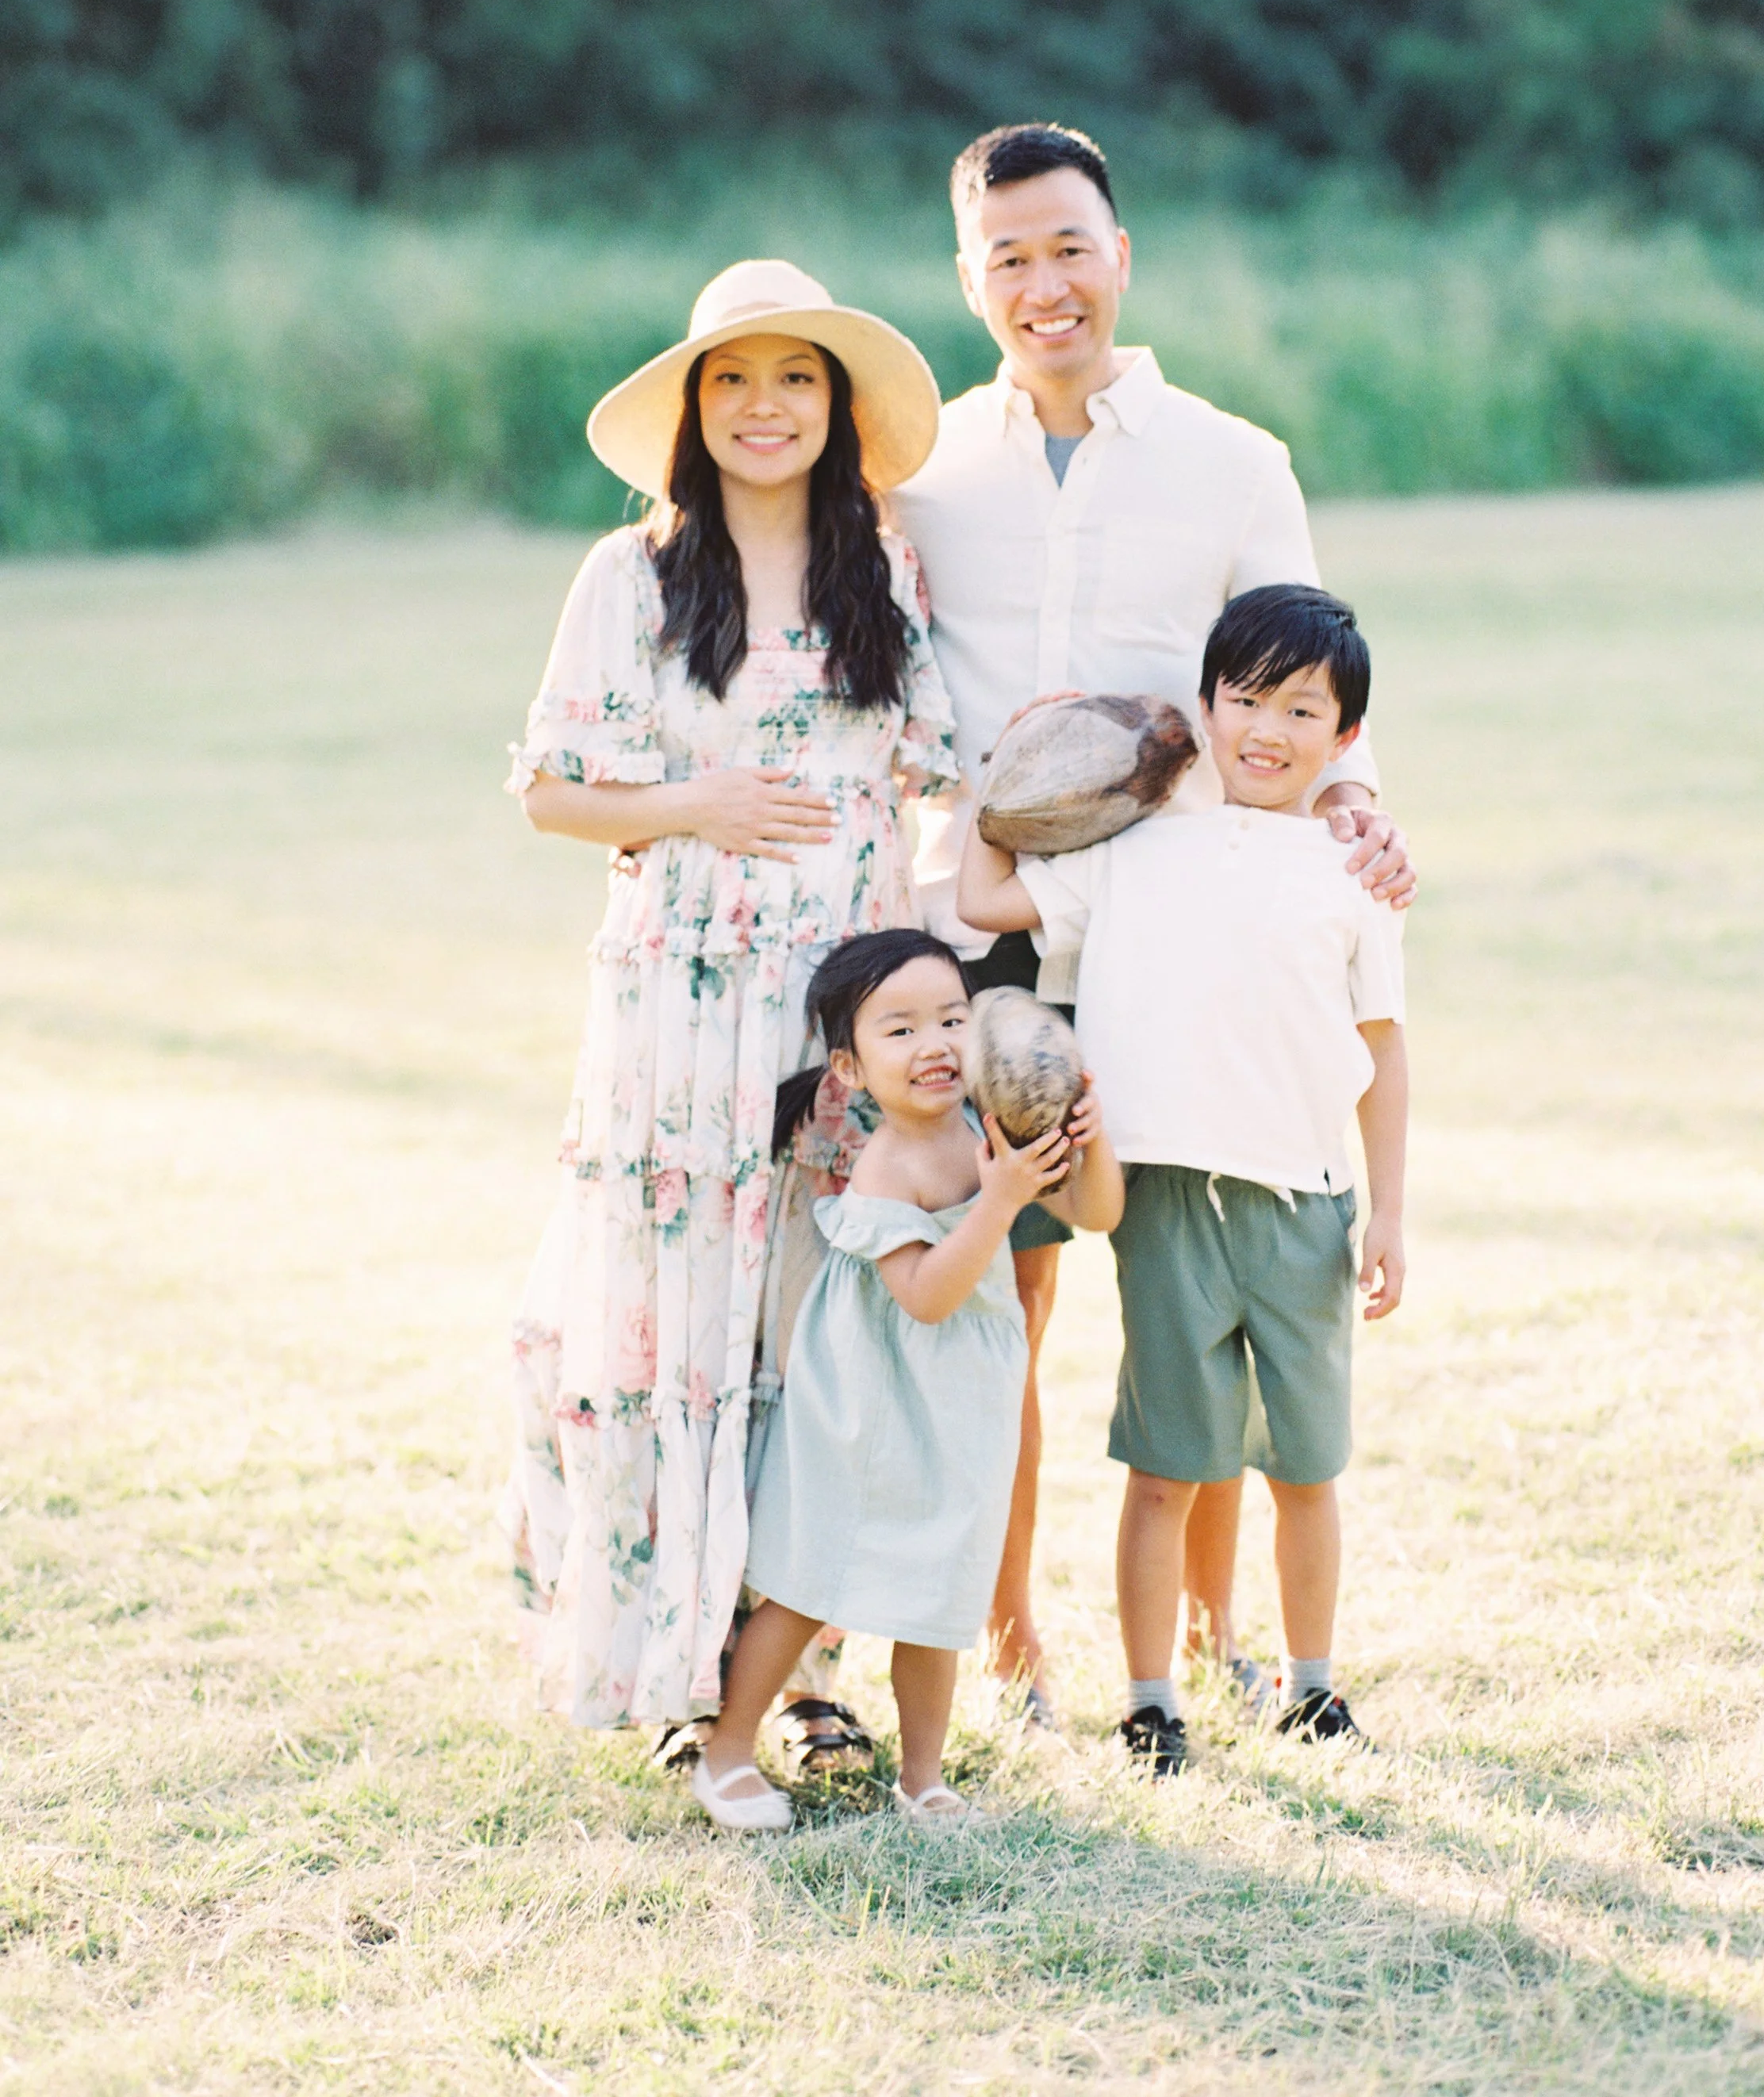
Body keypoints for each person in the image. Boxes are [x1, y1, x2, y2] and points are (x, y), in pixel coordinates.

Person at [889, 121, 1415, 1717]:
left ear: (1119, 255)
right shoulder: (927, 478)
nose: (1042, 283)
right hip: (997, 943)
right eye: (1007, 258)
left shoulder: (1233, 460)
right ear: (969, 280)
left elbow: (1307, 677)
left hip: (1176, 934)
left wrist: (1361, 818)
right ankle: (1009, 1636)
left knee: (1194, 1273)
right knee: (1009, 1290)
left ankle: (1211, 1638)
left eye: (1068, 247)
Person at [501, 261, 960, 1742]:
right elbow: (550, 794)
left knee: (809, 1325)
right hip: (682, 1003)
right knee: (673, 1316)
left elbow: (947, 768)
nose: (766, 408)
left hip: (845, 998)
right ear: (697, 410)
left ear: (836, 408)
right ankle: (667, 1664)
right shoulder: (629, 574)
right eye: (734, 380)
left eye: (797, 379)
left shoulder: (881, 572)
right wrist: (694, 797)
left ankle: (797, 1670)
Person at [958, 585, 1407, 1769]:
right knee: (1163, 1469)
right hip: (1160, 1205)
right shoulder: (1133, 850)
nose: (1266, 729)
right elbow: (980, 898)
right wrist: (1000, 785)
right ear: (1206, 707)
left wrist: (1390, 1215)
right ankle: (1150, 1700)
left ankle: (1312, 1686)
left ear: (1345, 736)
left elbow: (1382, 1054)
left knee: (1305, 1469)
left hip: (1304, 1203)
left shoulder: (1353, 869)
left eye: (1300, 709)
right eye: (1243, 698)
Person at [692, 931, 1123, 1831]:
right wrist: (1000, 1200)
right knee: (813, 1573)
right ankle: (728, 1750)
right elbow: (924, 1296)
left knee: (943, 1586)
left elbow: (1095, 1211)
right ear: (847, 1068)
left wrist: (1090, 1138)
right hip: (866, 1403)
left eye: (953, 1019)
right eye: (901, 1030)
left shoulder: (986, 1130)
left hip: (959, 1402)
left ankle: (922, 1777)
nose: (935, 1044)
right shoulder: (891, 1159)